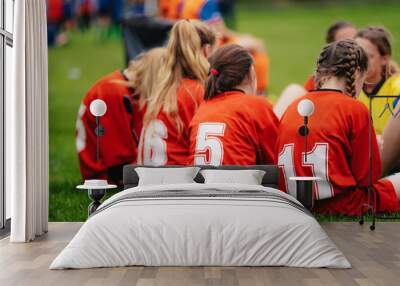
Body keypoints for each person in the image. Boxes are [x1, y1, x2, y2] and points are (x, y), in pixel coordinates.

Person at [276, 39, 400, 216]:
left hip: (297, 206)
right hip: (345, 205)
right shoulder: (354, 109)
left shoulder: (293, 107)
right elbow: (367, 178)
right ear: (357, 73)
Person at [76, 48, 165, 184]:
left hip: (115, 168)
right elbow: (117, 162)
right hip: (105, 175)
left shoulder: (128, 87)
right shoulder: (112, 91)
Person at [137, 20, 217, 166]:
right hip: (175, 181)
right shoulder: (196, 92)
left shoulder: (163, 88)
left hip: (147, 181)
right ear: (207, 50)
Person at [189, 44, 278, 166]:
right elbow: (276, 160)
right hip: (237, 184)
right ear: (250, 74)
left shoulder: (203, 108)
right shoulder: (256, 105)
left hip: (198, 184)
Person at [355, 26, 400, 135]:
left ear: (384, 59)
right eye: (356, 54)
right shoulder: (347, 89)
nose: (360, 61)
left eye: (368, 56)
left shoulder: (396, 88)